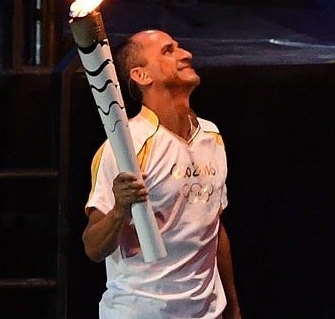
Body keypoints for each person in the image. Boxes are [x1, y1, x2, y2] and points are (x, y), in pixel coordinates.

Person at [83, 30, 241, 318]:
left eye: (179, 47)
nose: (186, 54)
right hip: (140, 312)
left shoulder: (211, 136)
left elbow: (213, 230)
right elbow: (93, 247)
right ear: (141, 75)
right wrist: (119, 209)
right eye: (169, 51)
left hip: (206, 313)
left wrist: (233, 308)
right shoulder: (125, 147)